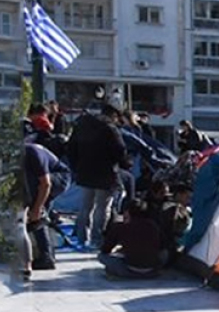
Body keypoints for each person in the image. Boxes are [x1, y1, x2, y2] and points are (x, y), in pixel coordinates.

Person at [67, 104, 129, 249]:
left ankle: (82, 238)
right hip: (105, 174)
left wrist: (76, 167)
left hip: (84, 172)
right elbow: (120, 151)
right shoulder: (110, 129)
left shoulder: (82, 125)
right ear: (112, 115)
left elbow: (70, 148)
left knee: (85, 207)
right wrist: (124, 164)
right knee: (102, 208)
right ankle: (96, 239)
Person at [18, 142, 70, 277]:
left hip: (59, 177)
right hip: (41, 180)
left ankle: (46, 257)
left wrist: (37, 208)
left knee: (37, 211)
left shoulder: (31, 153)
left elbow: (46, 184)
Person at [99, 203, 169, 279]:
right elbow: (163, 246)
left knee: (102, 256)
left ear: (128, 213)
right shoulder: (153, 225)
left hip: (129, 270)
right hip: (153, 270)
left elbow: (105, 250)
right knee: (164, 253)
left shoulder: (121, 227)